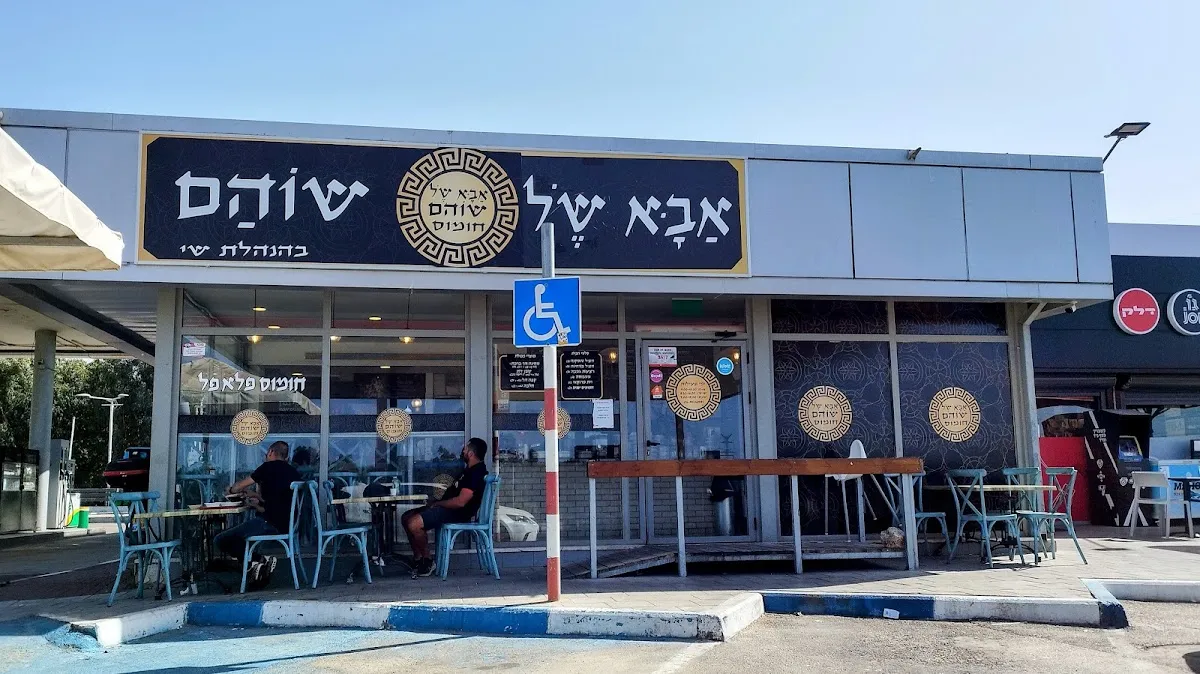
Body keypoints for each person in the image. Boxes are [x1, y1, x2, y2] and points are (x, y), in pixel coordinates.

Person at [214, 440, 302, 589]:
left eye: (267, 453)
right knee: (237, 537)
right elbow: (279, 502)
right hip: (288, 524)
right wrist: (256, 498)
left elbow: (239, 486)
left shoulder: (267, 467)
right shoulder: (293, 472)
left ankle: (257, 561)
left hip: (269, 523)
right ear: (286, 456)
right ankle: (255, 565)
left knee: (221, 539)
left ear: (271, 452)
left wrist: (230, 490)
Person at [401, 437, 490, 577]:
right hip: (447, 509)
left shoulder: (475, 473)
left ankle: (428, 561)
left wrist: (438, 504)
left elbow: (460, 502)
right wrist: (435, 502)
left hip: (457, 513)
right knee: (406, 517)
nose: (462, 451)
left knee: (414, 523)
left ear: (471, 453)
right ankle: (419, 559)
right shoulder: (468, 471)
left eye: (465, 449)